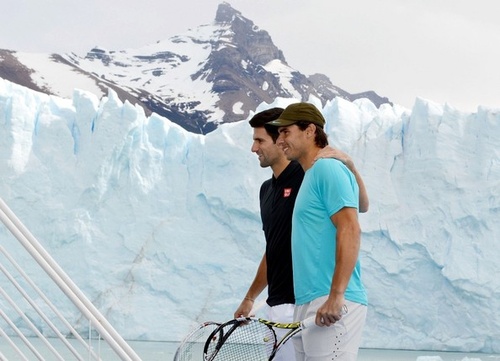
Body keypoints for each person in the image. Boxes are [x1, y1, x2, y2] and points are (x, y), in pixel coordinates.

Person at [234, 106, 368, 361]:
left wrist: (336, 295)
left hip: (328, 298)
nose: (281, 138)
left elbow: (350, 226)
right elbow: (362, 204)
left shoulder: (326, 169)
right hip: (307, 300)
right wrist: (251, 297)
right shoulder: (308, 176)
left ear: (309, 131)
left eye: (285, 131)